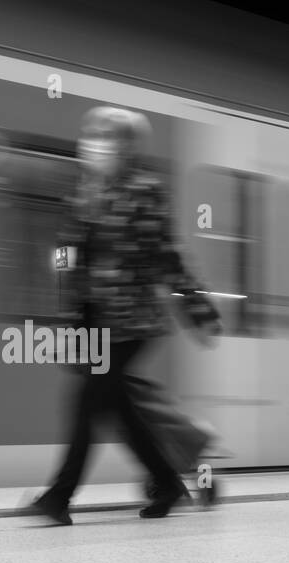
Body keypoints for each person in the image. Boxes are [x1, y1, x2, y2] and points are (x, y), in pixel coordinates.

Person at [26, 106, 221, 526]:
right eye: (93, 134)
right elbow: (64, 253)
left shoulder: (144, 191)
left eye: (108, 137)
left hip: (132, 323)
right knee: (118, 408)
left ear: (127, 147)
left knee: (87, 404)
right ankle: (168, 481)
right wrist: (65, 305)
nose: (95, 143)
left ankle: (60, 496)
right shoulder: (82, 192)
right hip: (92, 320)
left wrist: (198, 307)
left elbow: (168, 256)